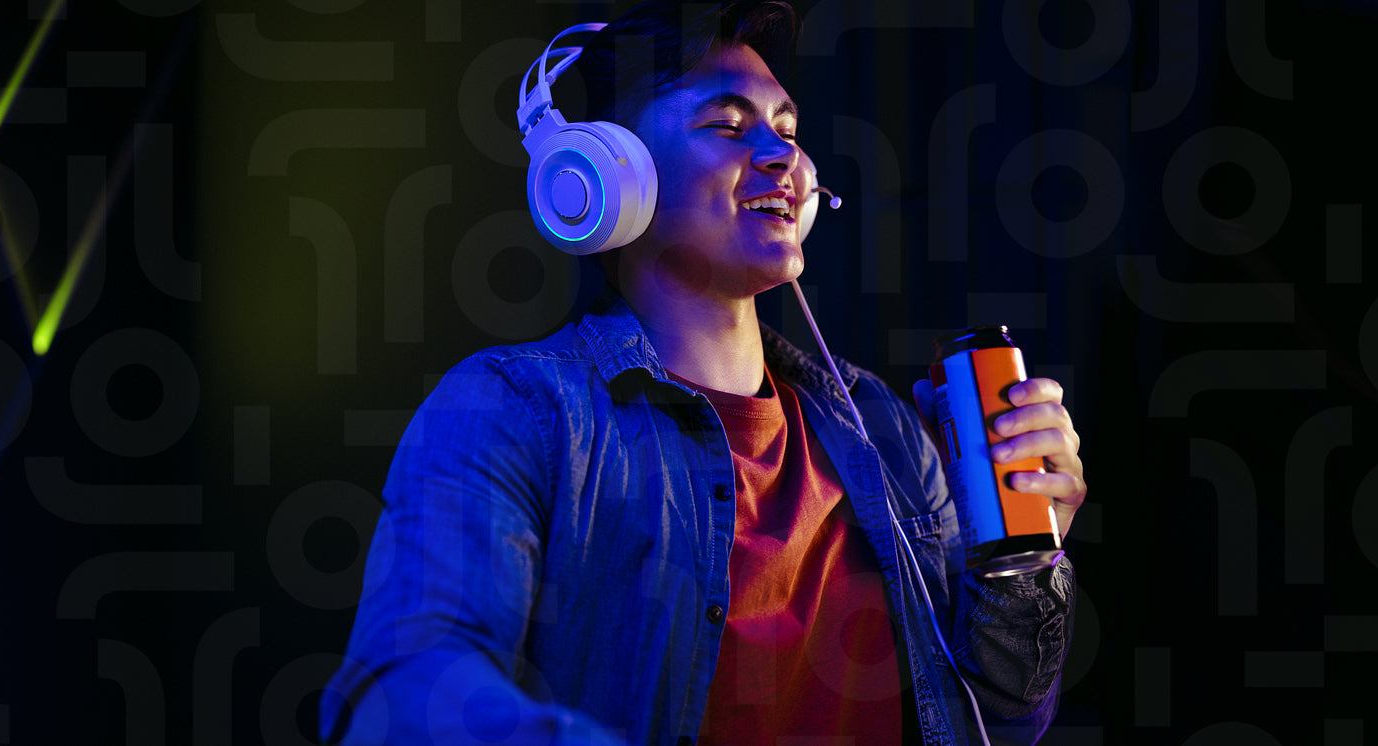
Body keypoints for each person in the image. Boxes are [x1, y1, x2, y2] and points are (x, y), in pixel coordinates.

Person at [320, 1, 1086, 744]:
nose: (784, 157)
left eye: (789, 130)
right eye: (727, 125)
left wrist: (1022, 557)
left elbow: (1002, 719)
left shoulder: (879, 425)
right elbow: (402, 692)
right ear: (606, 175)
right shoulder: (514, 410)